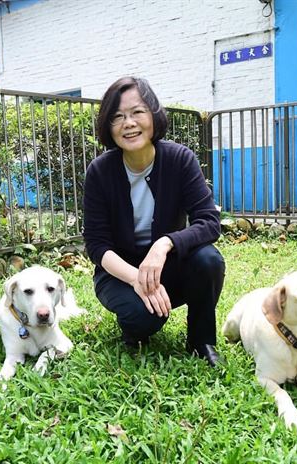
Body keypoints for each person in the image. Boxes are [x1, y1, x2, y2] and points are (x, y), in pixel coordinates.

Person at [83, 76, 225, 366]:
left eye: (137, 112)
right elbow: (97, 245)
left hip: (165, 266)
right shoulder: (100, 171)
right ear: (108, 126)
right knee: (143, 317)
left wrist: (165, 244)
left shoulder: (180, 160)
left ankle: (202, 343)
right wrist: (137, 279)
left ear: (153, 115)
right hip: (119, 274)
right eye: (118, 116)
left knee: (209, 260)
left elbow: (209, 222)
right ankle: (135, 327)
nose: (129, 123)